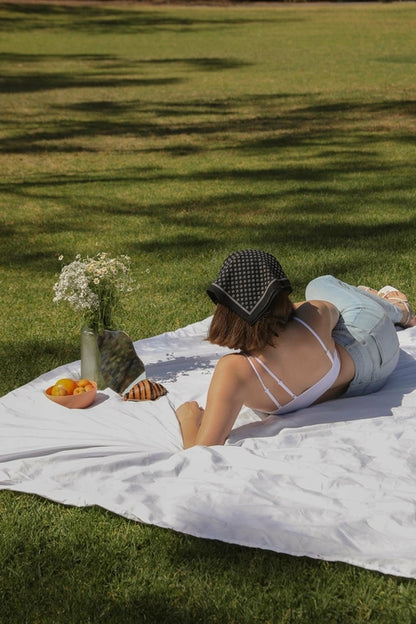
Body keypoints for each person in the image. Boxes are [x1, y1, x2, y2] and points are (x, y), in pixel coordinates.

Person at [176, 249, 416, 449]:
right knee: (320, 284)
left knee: (327, 290)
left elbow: (200, 451)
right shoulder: (313, 314)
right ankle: (396, 310)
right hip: (375, 346)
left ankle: (400, 309)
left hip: (364, 382)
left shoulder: (235, 371)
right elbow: (333, 311)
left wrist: (189, 418)